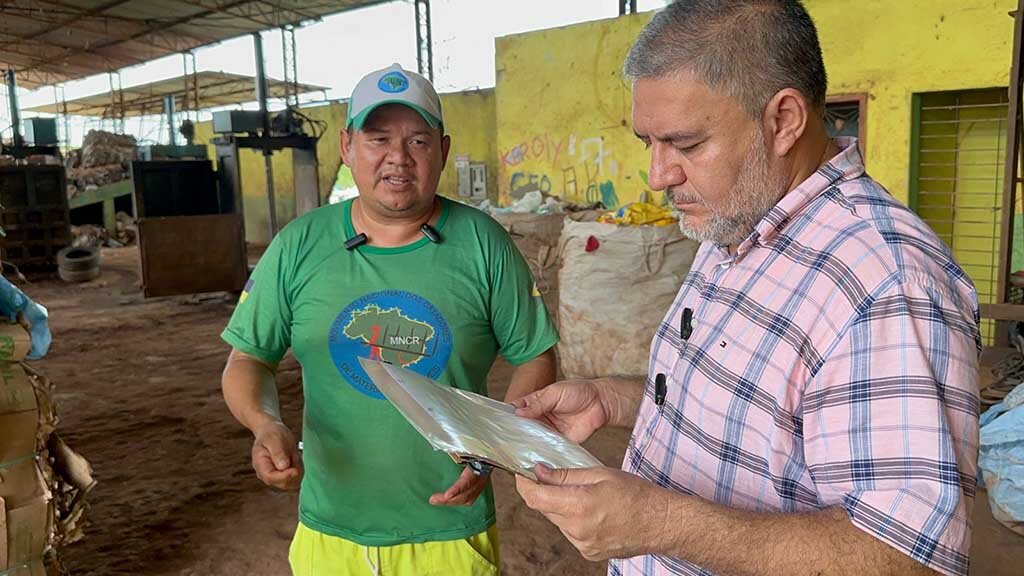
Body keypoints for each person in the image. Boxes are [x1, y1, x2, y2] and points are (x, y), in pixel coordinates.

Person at [513, 2, 979, 576]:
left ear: (784, 120)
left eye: (685, 144)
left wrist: (661, 525)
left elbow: (908, 557)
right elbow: (759, 410)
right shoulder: (736, 219)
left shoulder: (887, 284)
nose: (658, 176)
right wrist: (615, 399)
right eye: (648, 143)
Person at [221, 63, 558, 576]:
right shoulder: (298, 245)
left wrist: (492, 448)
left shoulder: (482, 242)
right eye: (378, 138)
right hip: (330, 530)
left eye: (418, 142)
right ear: (347, 146)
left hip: (449, 529)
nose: (397, 158)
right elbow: (248, 357)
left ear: (442, 151)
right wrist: (264, 424)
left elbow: (535, 354)